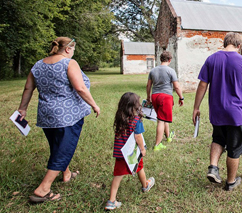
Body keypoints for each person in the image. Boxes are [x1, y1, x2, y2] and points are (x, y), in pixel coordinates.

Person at [17, 37, 101, 203]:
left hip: (46, 114)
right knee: (64, 148)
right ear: (68, 49)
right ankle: (43, 189)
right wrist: (94, 104)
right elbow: (80, 87)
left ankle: (66, 173)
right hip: (67, 116)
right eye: (74, 50)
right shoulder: (69, 63)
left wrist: (23, 108)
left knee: (57, 145)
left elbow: (28, 88)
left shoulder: (38, 65)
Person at [192, 32, 242, 191]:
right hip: (236, 113)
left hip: (217, 111)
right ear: (239, 46)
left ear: (224, 43)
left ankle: (213, 167)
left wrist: (196, 107)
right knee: (234, 148)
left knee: (218, 139)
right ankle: (230, 182)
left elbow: (202, 85)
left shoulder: (212, 59)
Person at [105, 92, 155, 210]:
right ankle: (145, 186)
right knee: (139, 167)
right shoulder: (136, 120)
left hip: (120, 153)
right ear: (135, 106)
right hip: (132, 153)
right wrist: (142, 149)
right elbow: (138, 137)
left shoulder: (119, 118)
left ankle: (111, 200)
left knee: (118, 175)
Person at [146, 51, 184, 151]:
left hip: (155, 96)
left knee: (162, 117)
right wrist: (181, 97)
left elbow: (148, 85)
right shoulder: (171, 71)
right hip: (165, 97)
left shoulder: (153, 71)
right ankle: (157, 144)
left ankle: (168, 137)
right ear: (170, 60)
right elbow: (176, 86)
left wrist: (148, 97)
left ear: (160, 59)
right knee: (161, 121)